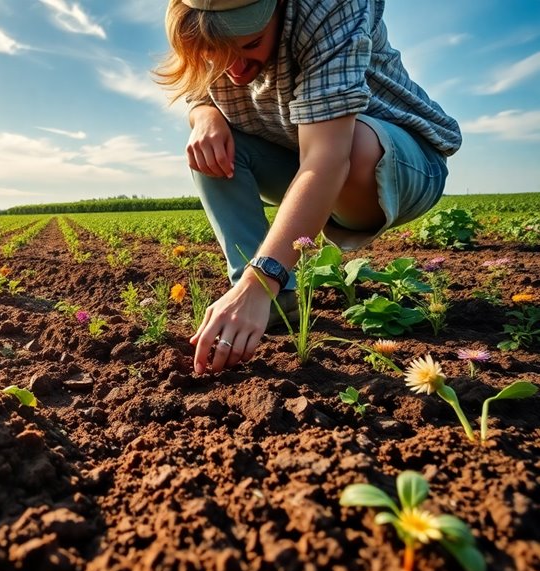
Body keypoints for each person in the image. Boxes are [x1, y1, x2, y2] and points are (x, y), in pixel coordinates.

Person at [154, 0, 460, 375]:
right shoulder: (198, 25)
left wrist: (259, 281)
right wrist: (205, 116)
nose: (234, 68)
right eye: (216, 54)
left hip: (400, 166)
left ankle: (260, 290)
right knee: (212, 146)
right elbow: (199, 92)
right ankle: (276, 302)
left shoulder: (331, 8)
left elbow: (327, 157)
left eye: (250, 45)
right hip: (302, 162)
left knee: (352, 143)